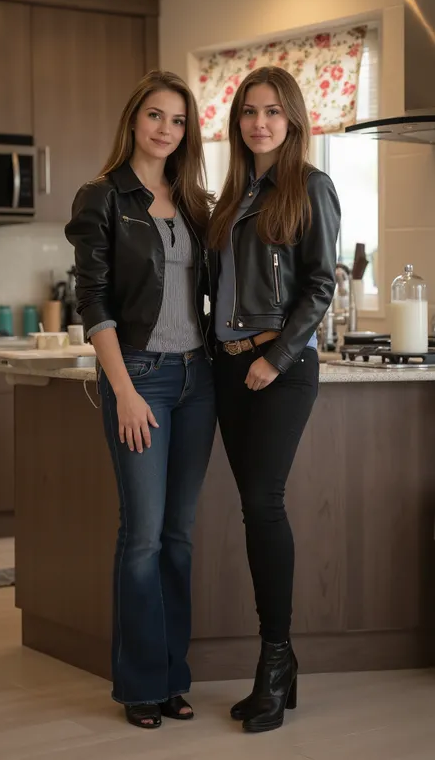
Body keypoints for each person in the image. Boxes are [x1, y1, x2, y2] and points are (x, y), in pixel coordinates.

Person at [65, 70, 216, 730]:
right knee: (143, 537)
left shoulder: (193, 200)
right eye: (156, 116)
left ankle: (172, 677)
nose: (166, 129)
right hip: (142, 380)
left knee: (179, 538)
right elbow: (92, 300)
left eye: (178, 120)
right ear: (134, 120)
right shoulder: (102, 197)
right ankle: (138, 685)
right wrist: (122, 388)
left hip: (198, 381)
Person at [207, 66, 341, 734]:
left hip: (280, 368)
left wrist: (274, 358)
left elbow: (321, 285)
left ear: (292, 120)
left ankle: (277, 659)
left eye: (272, 112)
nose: (259, 123)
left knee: (263, 504)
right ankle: (280, 666)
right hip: (229, 369)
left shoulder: (310, 187)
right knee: (250, 508)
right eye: (249, 112)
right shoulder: (234, 195)